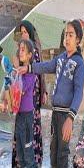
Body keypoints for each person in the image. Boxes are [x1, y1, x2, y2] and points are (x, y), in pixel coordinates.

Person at [17, 19, 84, 167]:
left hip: (65, 115)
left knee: (62, 153)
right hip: (55, 113)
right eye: (65, 35)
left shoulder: (79, 63)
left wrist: (70, 118)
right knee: (53, 150)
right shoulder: (61, 58)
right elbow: (46, 66)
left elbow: (79, 91)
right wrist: (28, 68)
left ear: (78, 39)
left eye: (71, 35)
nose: (66, 38)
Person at [12, 20, 47, 167]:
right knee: (21, 135)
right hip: (21, 99)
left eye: (26, 32)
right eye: (22, 32)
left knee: (30, 132)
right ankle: (21, 162)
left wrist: (43, 91)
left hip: (33, 95)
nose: (24, 35)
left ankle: (32, 161)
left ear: (31, 33)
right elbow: (15, 76)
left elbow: (40, 72)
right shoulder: (21, 50)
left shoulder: (34, 51)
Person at [14, 39, 37, 167]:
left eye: (23, 50)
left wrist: (17, 70)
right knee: (20, 152)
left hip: (27, 117)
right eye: (19, 49)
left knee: (28, 153)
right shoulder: (17, 72)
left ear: (29, 55)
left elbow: (19, 90)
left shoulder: (30, 74)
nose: (20, 52)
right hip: (19, 116)